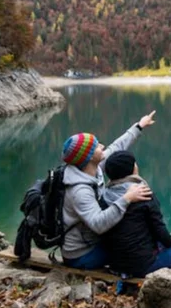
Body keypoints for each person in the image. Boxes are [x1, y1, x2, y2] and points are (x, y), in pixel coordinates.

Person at [60, 112, 156, 270]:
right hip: (81, 254)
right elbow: (98, 224)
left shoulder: (92, 167)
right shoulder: (79, 191)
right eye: (97, 146)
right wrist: (127, 198)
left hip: (92, 240)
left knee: (136, 240)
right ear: (89, 156)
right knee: (134, 249)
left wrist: (139, 126)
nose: (102, 146)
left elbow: (117, 147)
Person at [101, 150, 171, 277]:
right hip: (141, 266)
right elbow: (158, 228)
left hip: (115, 264)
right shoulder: (143, 194)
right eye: (134, 163)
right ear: (132, 169)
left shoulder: (105, 195)